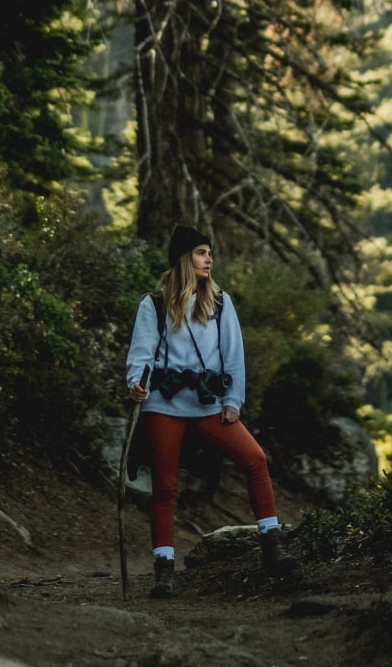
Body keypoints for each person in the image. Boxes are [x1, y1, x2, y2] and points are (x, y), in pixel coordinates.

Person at [125, 225, 299, 599]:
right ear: (185, 258)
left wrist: (233, 401)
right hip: (163, 404)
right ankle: (164, 571)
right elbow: (141, 356)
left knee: (255, 459)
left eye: (210, 253)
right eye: (202, 252)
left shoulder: (220, 302)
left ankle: (273, 545)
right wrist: (135, 384)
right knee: (165, 486)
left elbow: (232, 355)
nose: (209, 260)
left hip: (207, 404)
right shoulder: (153, 304)